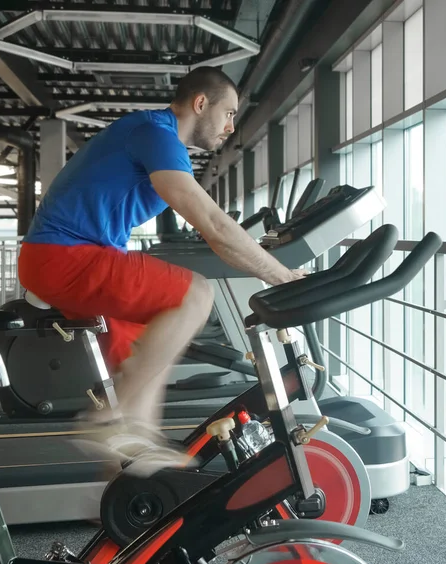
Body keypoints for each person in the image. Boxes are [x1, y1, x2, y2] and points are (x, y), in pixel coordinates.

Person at [18, 66, 306, 474]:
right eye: (228, 113)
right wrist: (282, 276)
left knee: (144, 353)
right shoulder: (156, 134)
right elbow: (212, 223)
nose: (230, 126)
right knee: (195, 293)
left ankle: (127, 487)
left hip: (64, 257)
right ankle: (109, 424)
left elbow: (213, 229)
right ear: (201, 103)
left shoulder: (159, 140)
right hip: (64, 256)